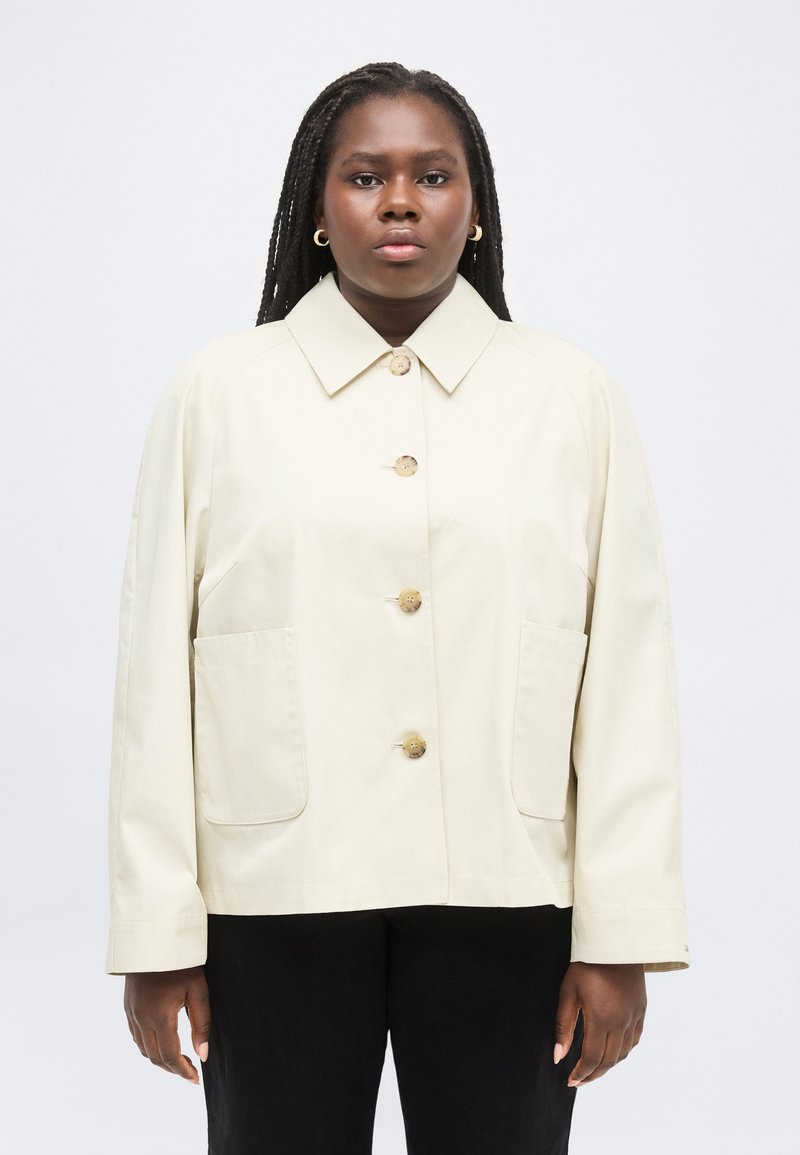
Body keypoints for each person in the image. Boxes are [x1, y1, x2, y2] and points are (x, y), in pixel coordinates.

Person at [105, 61, 690, 1154]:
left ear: (476, 205)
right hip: (272, 895)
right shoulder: (218, 396)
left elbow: (624, 676)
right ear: (316, 210)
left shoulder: (570, 398)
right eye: (365, 177)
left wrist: (621, 932)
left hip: (508, 892)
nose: (401, 202)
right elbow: (155, 681)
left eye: (433, 175)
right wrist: (156, 933)